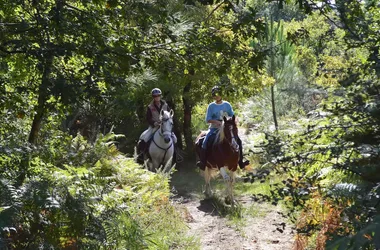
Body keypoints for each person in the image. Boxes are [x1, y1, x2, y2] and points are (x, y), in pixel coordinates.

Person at [196, 86, 249, 170]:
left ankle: (240, 161)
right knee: (205, 142)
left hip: (226, 128)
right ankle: (203, 162)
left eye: (218, 94)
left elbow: (232, 116)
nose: (216, 96)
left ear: (221, 95)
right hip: (214, 128)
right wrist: (217, 122)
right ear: (213, 96)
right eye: (214, 95)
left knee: (239, 141)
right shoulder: (211, 106)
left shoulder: (227, 105)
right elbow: (208, 119)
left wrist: (229, 122)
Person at [136, 88, 177, 163]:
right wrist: (154, 123)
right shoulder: (150, 107)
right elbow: (148, 118)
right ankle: (141, 155)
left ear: (160, 96)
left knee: (174, 139)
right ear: (153, 97)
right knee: (144, 138)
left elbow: (170, 116)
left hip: (165, 126)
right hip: (154, 126)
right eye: (155, 96)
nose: (157, 97)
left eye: (158, 96)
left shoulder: (165, 105)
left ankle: (176, 155)